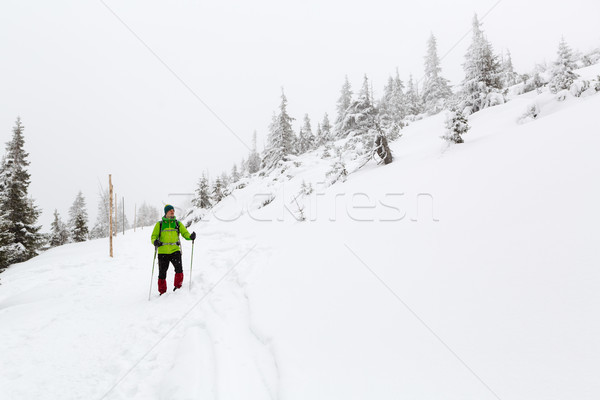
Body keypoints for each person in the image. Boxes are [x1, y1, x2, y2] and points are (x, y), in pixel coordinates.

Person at [150, 205, 196, 295]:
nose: (172, 212)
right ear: (166, 212)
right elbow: (153, 236)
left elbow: (184, 233)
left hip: (175, 251)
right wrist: (155, 242)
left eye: (173, 210)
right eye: (170, 210)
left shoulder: (177, 223)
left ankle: (178, 288)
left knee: (179, 269)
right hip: (163, 252)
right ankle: (162, 292)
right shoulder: (159, 224)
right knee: (162, 273)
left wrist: (190, 237)